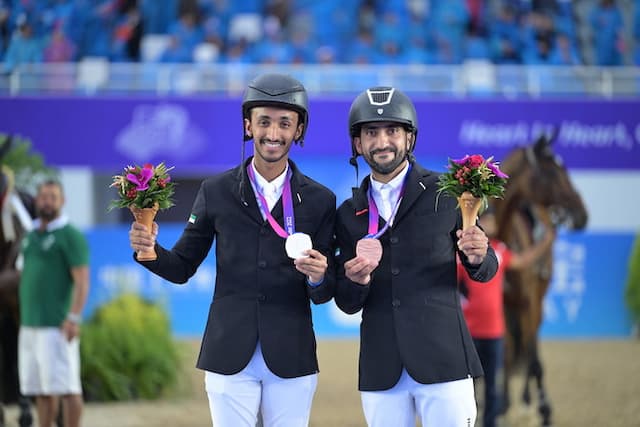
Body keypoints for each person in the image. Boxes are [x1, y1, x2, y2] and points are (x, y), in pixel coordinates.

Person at [128, 73, 336, 427]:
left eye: (285, 123)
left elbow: (324, 291)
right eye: (264, 121)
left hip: (291, 351)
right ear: (247, 125)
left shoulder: (321, 200)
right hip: (228, 351)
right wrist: (149, 251)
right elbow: (181, 267)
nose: (273, 133)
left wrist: (319, 277)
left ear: (298, 130)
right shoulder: (216, 191)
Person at [333, 86, 498, 427]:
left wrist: (478, 255)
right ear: (358, 143)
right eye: (371, 133)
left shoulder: (447, 192)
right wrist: (356, 281)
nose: (382, 142)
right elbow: (347, 302)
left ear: (409, 138)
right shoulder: (349, 213)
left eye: (392, 130)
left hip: (444, 360)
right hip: (382, 369)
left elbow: (486, 268)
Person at [458, 208, 555, 427]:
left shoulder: (500, 251)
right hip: (468, 333)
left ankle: (490, 422)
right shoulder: (464, 253)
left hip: (494, 332)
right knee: (467, 387)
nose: (491, 225)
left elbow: (523, 261)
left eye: (493, 221)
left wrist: (545, 244)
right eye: (486, 221)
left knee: (492, 384)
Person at [18, 180, 89, 427]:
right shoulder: (31, 235)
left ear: (62, 201)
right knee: (41, 388)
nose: (47, 202)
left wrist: (73, 318)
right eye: (43, 197)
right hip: (30, 324)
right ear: (37, 201)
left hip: (57, 326)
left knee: (68, 387)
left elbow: (82, 282)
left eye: (52, 197)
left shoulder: (70, 235)